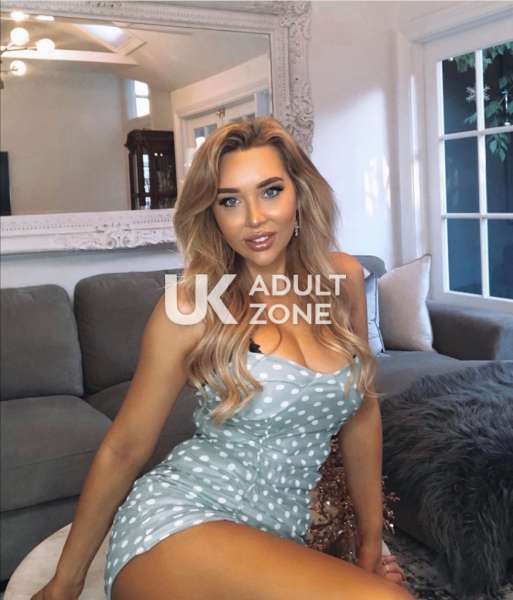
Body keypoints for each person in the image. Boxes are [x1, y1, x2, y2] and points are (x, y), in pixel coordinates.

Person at [31, 116, 412, 600]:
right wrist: (64, 584)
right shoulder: (192, 306)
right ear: (211, 214)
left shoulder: (342, 280)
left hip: (280, 533)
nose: (254, 218)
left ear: (299, 193)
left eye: (270, 191)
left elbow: (362, 412)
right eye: (229, 200)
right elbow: (124, 448)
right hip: (180, 519)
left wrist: (370, 545)